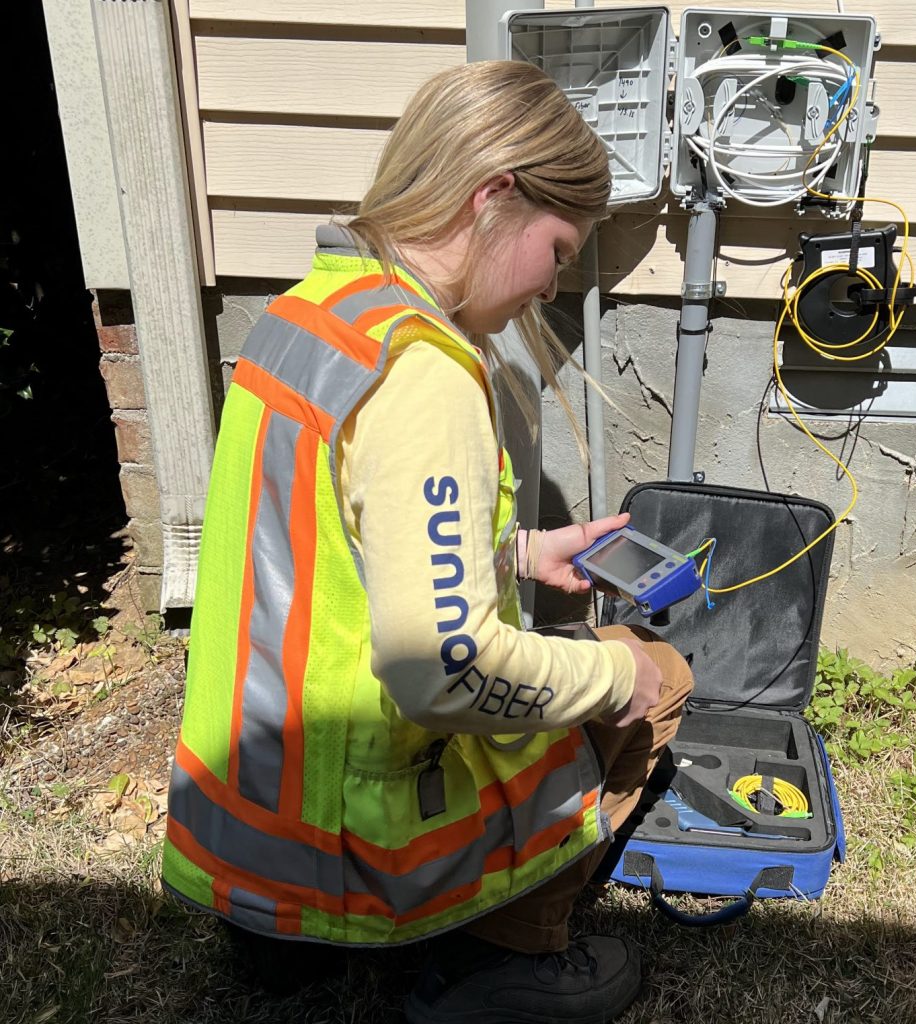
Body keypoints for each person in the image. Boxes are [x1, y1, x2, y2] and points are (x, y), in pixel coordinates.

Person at [162, 60, 693, 1023]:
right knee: (653, 671)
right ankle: (499, 969)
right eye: (560, 249)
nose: (553, 282)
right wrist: (618, 683)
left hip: (243, 837)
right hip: (348, 857)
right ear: (495, 195)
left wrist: (517, 555)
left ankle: (304, 949)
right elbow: (443, 672)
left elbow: (337, 545)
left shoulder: (306, 317)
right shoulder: (427, 373)